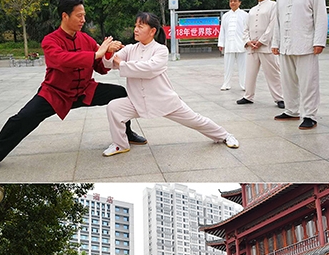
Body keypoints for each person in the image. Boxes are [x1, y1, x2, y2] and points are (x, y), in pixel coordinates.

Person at [0, 0, 145, 178]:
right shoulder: (50, 40)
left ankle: (126, 134)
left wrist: (108, 53)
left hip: (85, 90)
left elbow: (100, 68)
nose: (83, 20)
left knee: (119, 93)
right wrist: (97, 53)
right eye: (79, 16)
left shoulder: (85, 39)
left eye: (84, 15)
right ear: (65, 16)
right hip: (55, 93)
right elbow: (61, 60)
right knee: (21, 119)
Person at [102, 12, 238, 156]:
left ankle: (224, 135)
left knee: (196, 120)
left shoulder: (160, 50)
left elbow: (149, 69)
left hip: (163, 100)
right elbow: (110, 63)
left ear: (152, 31)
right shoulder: (130, 48)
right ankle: (120, 144)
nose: (136, 29)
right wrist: (109, 52)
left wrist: (122, 64)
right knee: (114, 108)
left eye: (140, 26)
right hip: (138, 101)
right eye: (135, 26)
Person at [272, 0, 327, 130]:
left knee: (308, 82)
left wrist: (319, 41)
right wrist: (276, 42)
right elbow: (277, 22)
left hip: (306, 44)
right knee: (287, 80)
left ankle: (310, 115)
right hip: (286, 45)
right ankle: (291, 110)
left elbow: (320, 17)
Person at [238, 0, 284, 108]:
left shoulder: (273, 6)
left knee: (273, 73)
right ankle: (248, 96)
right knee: (250, 73)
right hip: (252, 48)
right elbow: (245, 28)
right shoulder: (252, 10)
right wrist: (248, 41)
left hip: (266, 47)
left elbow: (272, 25)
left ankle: (280, 98)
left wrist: (261, 41)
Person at [218, 0, 248, 91]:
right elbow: (222, 30)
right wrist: (221, 43)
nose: (233, 3)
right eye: (231, 1)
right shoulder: (226, 16)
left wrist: (247, 42)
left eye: (235, 1)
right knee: (227, 66)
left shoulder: (245, 15)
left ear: (240, 2)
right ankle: (226, 84)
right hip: (229, 45)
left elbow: (248, 30)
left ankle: (244, 85)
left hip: (242, 45)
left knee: (243, 66)